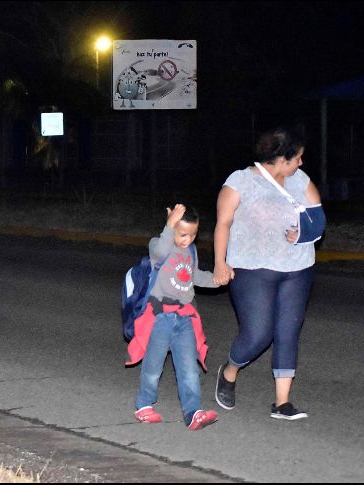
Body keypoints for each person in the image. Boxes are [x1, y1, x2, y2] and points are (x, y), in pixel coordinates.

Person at [213, 127, 323, 420]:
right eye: (297, 158)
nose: (301, 163)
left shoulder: (300, 181)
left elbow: (318, 219)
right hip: (252, 268)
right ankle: (230, 370)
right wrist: (220, 262)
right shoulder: (241, 182)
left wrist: (303, 234)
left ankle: (282, 402)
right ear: (281, 158)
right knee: (258, 334)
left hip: (298, 269)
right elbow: (223, 223)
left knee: (288, 333)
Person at [126, 204, 220, 430]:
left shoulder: (191, 251)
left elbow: (194, 276)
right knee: (153, 365)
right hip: (160, 317)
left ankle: (193, 411)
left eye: (193, 235)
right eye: (182, 234)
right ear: (172, 229)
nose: (188, 239)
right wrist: (169, 226)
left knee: (188, 367)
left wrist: (216, 279)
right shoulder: (159, 246)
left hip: (184, 317)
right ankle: (144, 405)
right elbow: (158, 251)